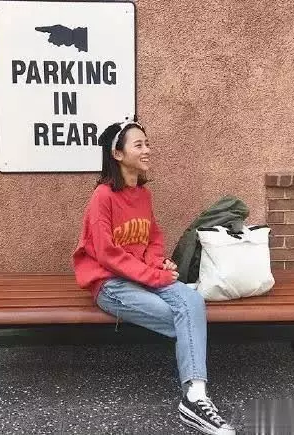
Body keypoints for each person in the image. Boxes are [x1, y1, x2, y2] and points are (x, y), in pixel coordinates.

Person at [72, 117, 236, 435]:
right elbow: (107, 254)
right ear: (117, 154)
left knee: (192, 301)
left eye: (147, 144)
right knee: (185, 317)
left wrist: (158, 263)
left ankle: (194, 397)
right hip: (110, 284)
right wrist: (153, 276)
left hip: (143, 277)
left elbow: (152, 237)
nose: (147, 150)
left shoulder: (143, 195)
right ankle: (196, 395)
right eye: (139, 145)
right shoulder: (102, 197)